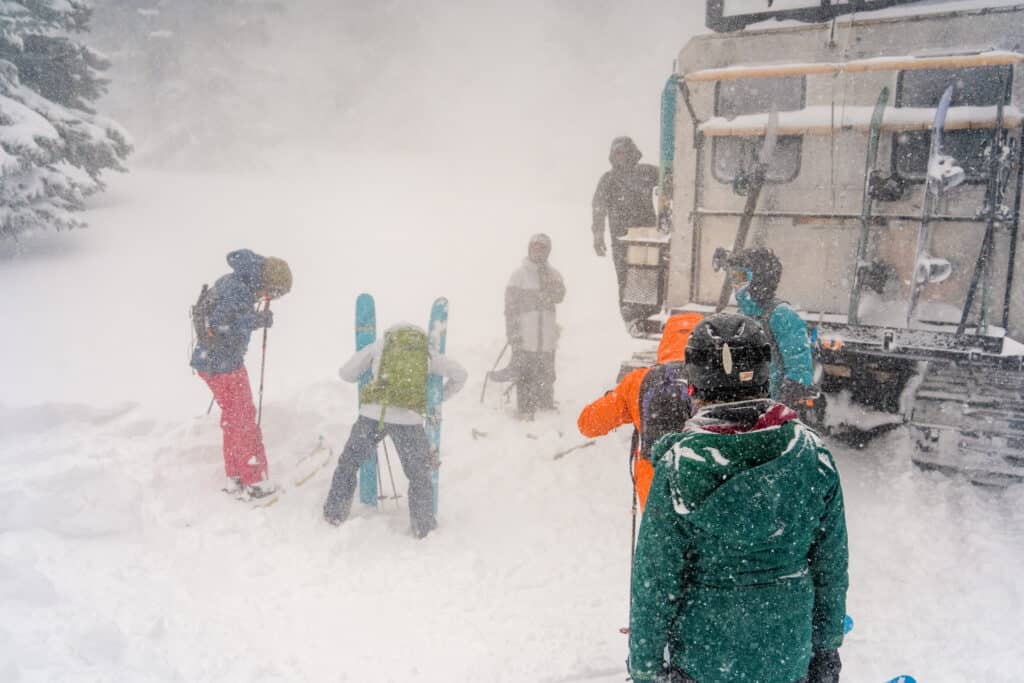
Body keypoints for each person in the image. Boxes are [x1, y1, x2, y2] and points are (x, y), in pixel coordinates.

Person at [628, 312, 848, 683]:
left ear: (694, 385)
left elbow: (655, 582)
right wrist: (826, 650)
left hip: (703, 660)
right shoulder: (813, 456)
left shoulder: (679, 467)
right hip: (785, 659)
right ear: (766, 375)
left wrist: (646, 669)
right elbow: (831, 569)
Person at [323, 323, 467, 538]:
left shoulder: (379, 345)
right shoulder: (426, 352)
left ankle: (334, 514)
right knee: (419, 474)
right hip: (409, 420)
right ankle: (423, 527)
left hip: (373, 416)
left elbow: (346, 373)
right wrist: (436, 399)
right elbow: (460, 374)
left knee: (349, 463)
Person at [190, 249, 292, 498]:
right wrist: (256, 321)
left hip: (212, 363)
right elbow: (222, 325)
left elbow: (227, 320)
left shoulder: (236, 281)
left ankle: (236, 475)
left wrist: (253, 318)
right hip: (223, 365)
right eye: (274, 293)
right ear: (269, 284)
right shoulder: (238, 290)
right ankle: (255, 482)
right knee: (244, 420)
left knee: (234, 417)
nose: (270, 297)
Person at [576, 312, 702, 510]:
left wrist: (615, 397)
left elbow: (587, 424)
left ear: (665, 340)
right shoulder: (717, 380)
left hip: (655, 493)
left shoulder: (639, 381)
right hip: (707, 486)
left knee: (663, 539)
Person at [489, 233, 565, 420]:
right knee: (525, 375)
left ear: (548, 251)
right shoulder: (519, 275)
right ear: (529, 249)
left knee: (547, 375)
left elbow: (560, 296)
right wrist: (513, 334)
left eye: (542, 248)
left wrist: (550, 287)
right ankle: (525, 411)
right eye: (535, 248)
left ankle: (545, 407)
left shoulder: (554, 274)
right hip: (525, 338)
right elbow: (510, 309)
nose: (538, 252)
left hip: (547, 339)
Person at [727, 246, 815, 407]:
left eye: (741, 277)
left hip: (770, 411)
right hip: (742, 407)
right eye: (733, 278)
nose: (735, 285)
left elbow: (799, 368)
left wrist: (782, 403)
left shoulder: (781, 315)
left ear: (758, 279)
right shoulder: (741, 315)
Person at [591, 136, 659, 325]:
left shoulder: (648, 172)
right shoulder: (608, 179)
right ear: (612, 156)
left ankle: (650, 313)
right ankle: (631, 316)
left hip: (648, 235)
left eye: (624, 152)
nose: (620, 157)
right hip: (621, 238)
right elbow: (598, 207)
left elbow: (672, 180)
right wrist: (598, 234)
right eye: (617, 153)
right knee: (625, 276)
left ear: (631, 153)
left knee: (649, 272)